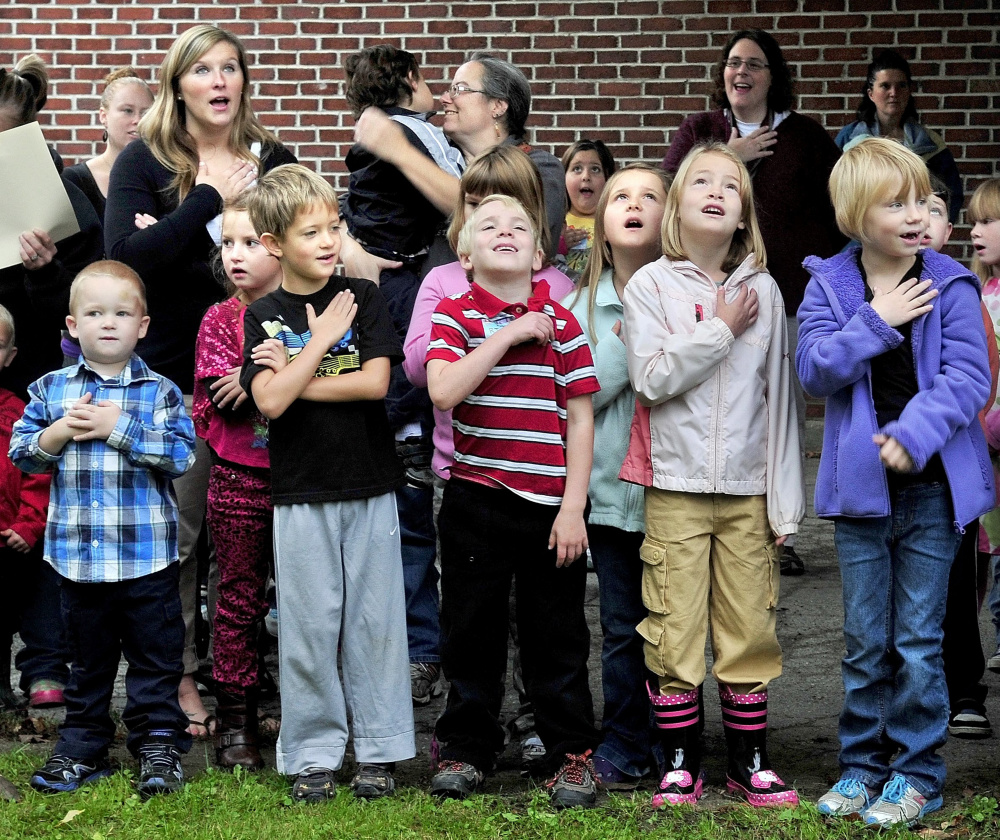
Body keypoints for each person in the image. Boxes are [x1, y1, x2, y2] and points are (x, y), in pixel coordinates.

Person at [104, 24, 297, 737]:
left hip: (268, 380)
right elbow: (127, 261)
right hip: (176, 382)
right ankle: (180, 675)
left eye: (231, 68)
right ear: (176, 84)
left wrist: (173, 234)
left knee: (266, 542)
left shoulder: (273, 159)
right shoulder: (144, 161)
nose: (220, 81)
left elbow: (301, 253)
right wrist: (205, 202)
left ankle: (253, 677)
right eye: (203, 70)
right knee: (182, 540)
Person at [797, 138, 993, 827]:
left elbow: (970, 379)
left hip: (933, 491)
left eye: (921, 200)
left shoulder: (949, 282)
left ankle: (916, 774)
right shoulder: (831, 285)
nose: (916, 214)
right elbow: (816, 369)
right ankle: (860, 767)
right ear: (855, 213)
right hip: (860, 496)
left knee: (916, 639)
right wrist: (877, 322)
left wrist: (912, 435)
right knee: (863, 639)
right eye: (895, 202)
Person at [621, 143, 803, 809]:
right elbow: (652, 377)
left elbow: (781, 401)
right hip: (675, 488)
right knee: (672, 629)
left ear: (743, 215)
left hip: (749, 494)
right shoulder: (650, 287)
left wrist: (784, 501)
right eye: (701, 181)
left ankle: (749, 762)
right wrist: (721, 331)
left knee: (750, 627)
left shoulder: (767, 291)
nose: (717, 191)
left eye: (731, 185)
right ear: (678, 204)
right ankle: (678, 762)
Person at [240, 164, 413, 802]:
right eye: (310, 231)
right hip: (301, 492)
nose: (327, 240)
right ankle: (312, 753)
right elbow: (269, 405)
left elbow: (373, 384)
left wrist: (296, 373)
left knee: (376, 623)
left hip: (370, 483)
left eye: (333, 226)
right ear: (273, 244)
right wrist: (321, 341)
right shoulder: (262, 313)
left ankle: (379, 749)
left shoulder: (362, 297)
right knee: (309, 627)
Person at [424, 194, 600, 809]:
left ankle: (568, 754)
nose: (505, 232)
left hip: (552, 507)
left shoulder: (566, 322)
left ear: (539, 252)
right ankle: (467, 748)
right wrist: (511, 333)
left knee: (557, 635)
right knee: (469, 633)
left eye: (519, 226)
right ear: (466, 254)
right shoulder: (455, 313)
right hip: (477, 498)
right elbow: (444, 390)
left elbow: (581, 419)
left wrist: (574, 506)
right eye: (489, 226)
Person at [402, 146, 575, 734]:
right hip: (468, 470)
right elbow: (425, 371)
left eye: (516, 214)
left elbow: (578, 402)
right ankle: (469, 735)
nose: (499, 221)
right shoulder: (447, 292)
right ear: (464, 233)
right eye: (477, 206)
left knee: (546, 622)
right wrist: (504, 328)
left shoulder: (558, 298)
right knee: (473, 617)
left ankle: (544, 732)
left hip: (545, 480)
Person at [10, 261, 197, 799]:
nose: (107, 323)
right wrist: (61, 430)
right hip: (79, 559)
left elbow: (181, 455)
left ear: (142, 325)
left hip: (146, 560)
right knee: (87, 660)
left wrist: (120, 428)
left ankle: (158, 739)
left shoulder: (159, 391)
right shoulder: (50, 389)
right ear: (73, 326)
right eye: (94, 313)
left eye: (121, 313)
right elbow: (24, 454)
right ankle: (83, 741)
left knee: (154, 657)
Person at [662, 28, 843, 577]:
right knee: (717, 409)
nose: (741, 72)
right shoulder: (700, 130)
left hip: (784, 298)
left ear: (774, 77)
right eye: (733, 63)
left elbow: (844, 209)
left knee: (778, 414)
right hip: (703, 296)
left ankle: (779, 532)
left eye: (755, 64)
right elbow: (667, 188)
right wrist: (725, 156)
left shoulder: (807, 139)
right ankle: (710, 521)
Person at [342, 45, 464, 706]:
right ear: (405, 85)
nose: (440, 98)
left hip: (398, 292)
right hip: (395, 292)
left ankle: (418, 648)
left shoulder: (393, 136)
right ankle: (415, 648)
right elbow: (453, 201)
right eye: (429, 84)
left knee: (410, 507)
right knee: (405, 499)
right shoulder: (406, 131)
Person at [564, 163, 670, 790]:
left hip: (672, 492)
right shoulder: (581, 305)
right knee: (622, 626)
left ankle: (677, 739)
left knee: (674, 623)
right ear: (602, 221)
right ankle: (627, 739)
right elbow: (572, 396)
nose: (633, 206)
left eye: (649, 196)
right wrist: (630, 342)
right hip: (607, 496)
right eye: (620, 197)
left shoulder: (688, 293)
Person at [192, 194, 283, 771]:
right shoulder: (221, 318)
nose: (236, 255)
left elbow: (312, 376)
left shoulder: (308, 312)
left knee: (304, 598)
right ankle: (235, 719)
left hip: (302, 475)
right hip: (237, 473)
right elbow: (216, 392)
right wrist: (261, 377)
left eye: (251, 242)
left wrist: (256, 380)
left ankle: (303, 710)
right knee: (238, 595)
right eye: (227, 243)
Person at [353, 52, 566, 264]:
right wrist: (352, 249)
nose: (445, 99)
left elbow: (531, 237)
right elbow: (359, 198)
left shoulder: (538, 166)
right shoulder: (438, 155)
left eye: (459, 89)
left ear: (498, 106)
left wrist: (402, 153)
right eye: (449, 90)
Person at [835, 50, 963, 223]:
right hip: (862, 240)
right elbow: (832, 193)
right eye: (885, 86)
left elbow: (951, 196)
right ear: (870, 93)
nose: (894, 92)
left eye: (901, 85)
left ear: (909, 91)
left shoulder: (931, 144)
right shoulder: (848, 139)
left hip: (914, 236)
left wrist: (933, 229)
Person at [0, 304, 53, 710]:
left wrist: (30, 522)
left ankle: (29, 677)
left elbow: (37, 472)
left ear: (10, 356)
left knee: (16, 609)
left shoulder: (19, 412)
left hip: (13, 536)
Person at [968, 179, 1000, 675]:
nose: (973, 230)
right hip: (983, 446)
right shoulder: (978, 292)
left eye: (987, 220)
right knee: (983, 547)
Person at [63, 68, 154, 224]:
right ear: (103, 116)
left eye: (146, 113)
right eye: (128, 111)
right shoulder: (73, 181)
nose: (138, 120)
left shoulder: (164, 181)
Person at [559, 139, 616, 280]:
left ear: (607, 178)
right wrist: (558, 245)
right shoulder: (555, 223)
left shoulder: (613, 222)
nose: (586, 177)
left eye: (595, 169)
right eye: (577, 169)